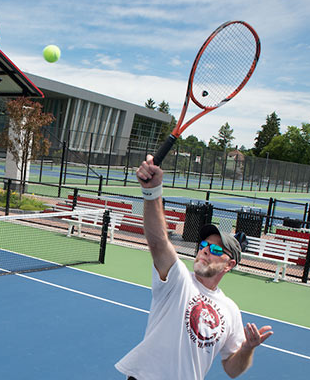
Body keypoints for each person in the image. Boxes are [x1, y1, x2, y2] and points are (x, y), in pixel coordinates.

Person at [115, 155, 273, 379]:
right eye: (204, 245)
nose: (206, 250)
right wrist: (152, 192)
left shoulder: (230, 310)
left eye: (217, 250)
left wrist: (247, 348)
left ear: (230, 265)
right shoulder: (178, 280)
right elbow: (159, 241)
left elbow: (232, 369)